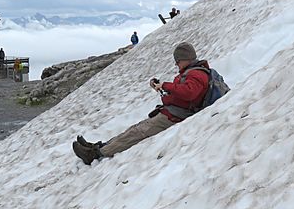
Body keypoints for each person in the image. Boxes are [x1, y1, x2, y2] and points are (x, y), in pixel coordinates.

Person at [72, 42, 209, 164]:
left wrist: (165, 86)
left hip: (176, 116)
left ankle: (94, 155)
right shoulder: (192, 72)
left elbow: (189, 93)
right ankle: (99, 147)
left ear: (185, 59)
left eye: (178, 61)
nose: (176, 65)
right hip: (172, 112)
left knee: (136, 133)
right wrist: (161, 89)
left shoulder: (196, 74)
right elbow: (183, 94)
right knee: (134, 129)